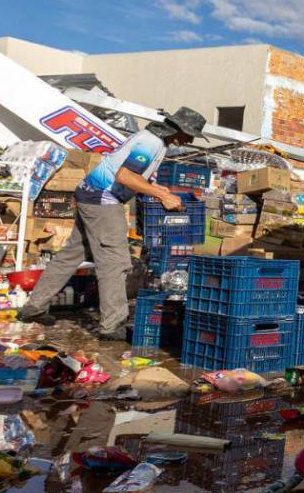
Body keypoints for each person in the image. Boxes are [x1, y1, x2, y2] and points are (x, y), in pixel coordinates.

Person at [18, 107, 207, 339]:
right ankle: (112, 327)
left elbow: (129, 174)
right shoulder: (151, 143)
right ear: (177, 129)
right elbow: (124, 176)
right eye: (189, 135)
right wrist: (163, 197)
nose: (189, 140)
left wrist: (157, 189)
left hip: (90, 194)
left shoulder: (154, 139)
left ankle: (32, 308)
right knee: (115, 263)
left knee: (71, 255)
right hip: (103, 201)